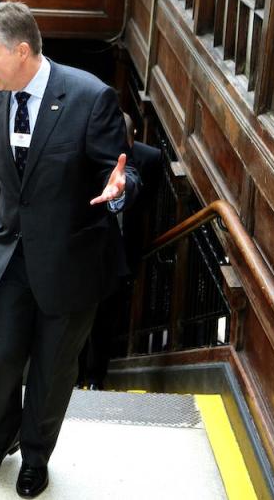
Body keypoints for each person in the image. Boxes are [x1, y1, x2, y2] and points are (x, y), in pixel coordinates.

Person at [0, 1, 139, 498]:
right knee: (1, 362)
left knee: (52, 369)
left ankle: (36, 457)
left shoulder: (90, 96)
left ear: (22, 51)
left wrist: (120, 190)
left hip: (70, 265)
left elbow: (122, 171)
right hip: (8, 260)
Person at [78, 113, 164, 389]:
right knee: (79, 316)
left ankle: (94, 379)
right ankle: (75, 375)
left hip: (122, 254)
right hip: (87, 251)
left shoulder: (150, 159)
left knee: (106, 320)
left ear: (132, 138)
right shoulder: (86, 155)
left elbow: (148, 205)